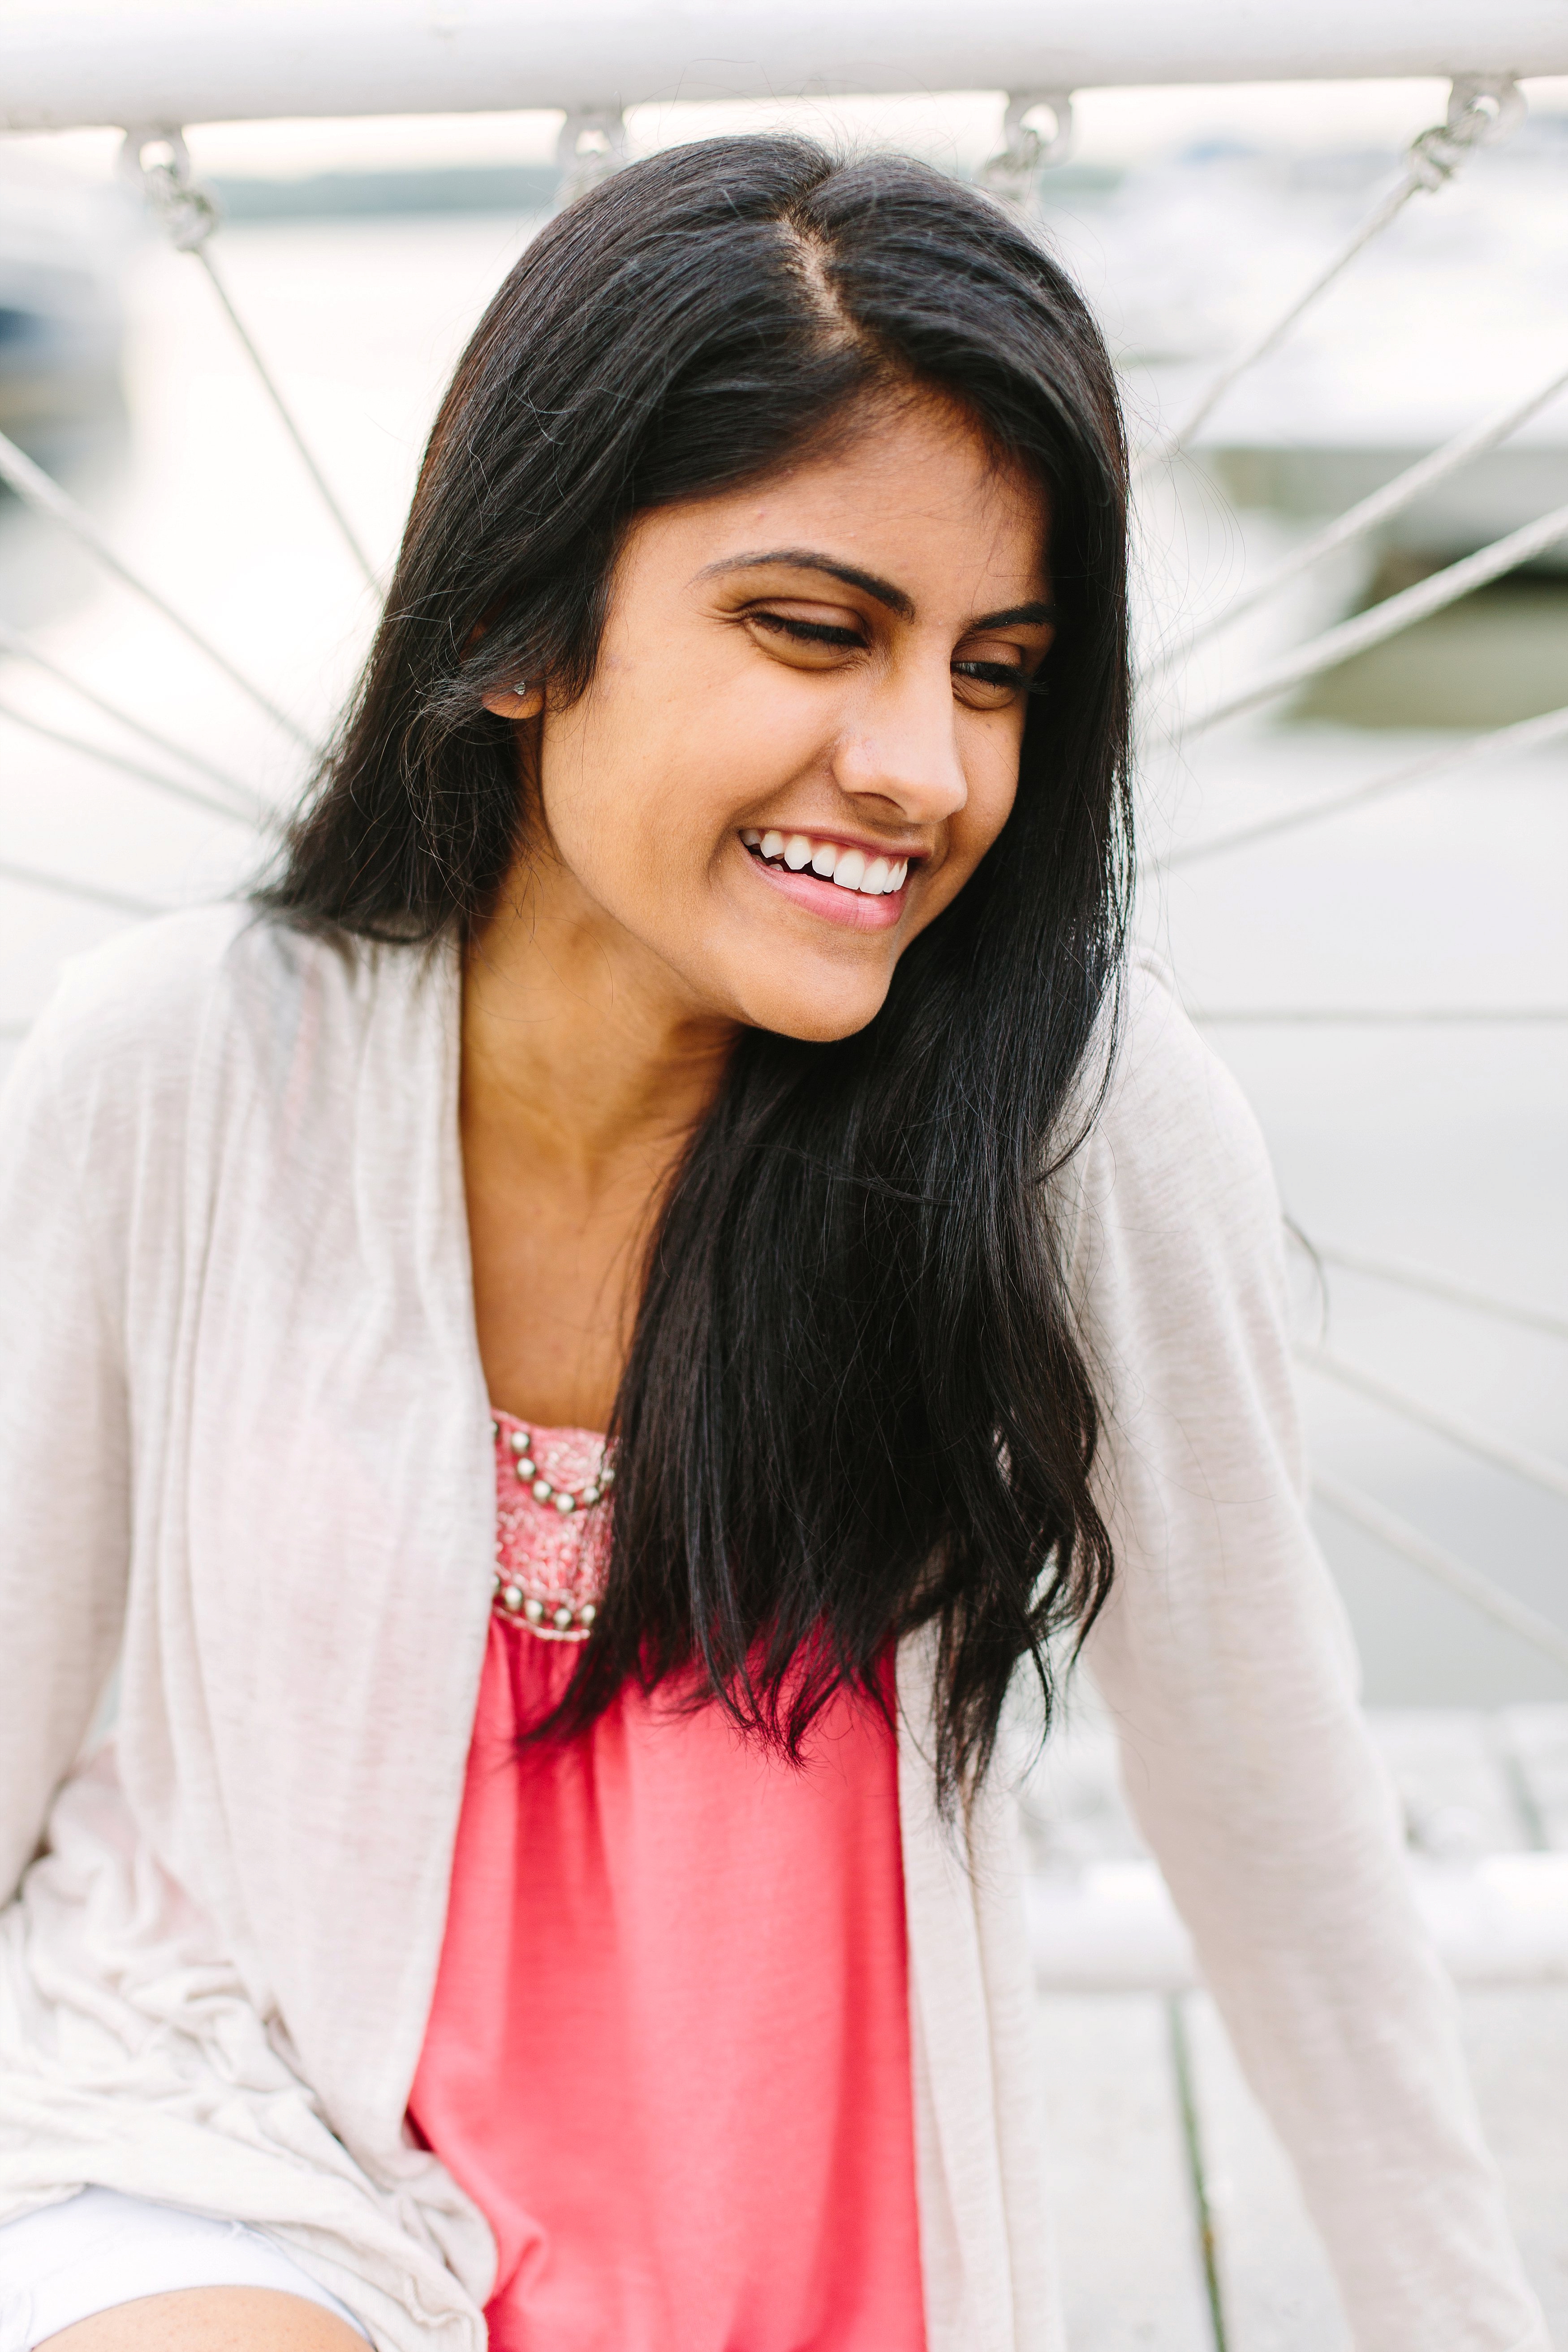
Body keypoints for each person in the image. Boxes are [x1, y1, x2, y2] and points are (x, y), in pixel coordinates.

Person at [0, 135, 1549, 2352]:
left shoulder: (1067, 1128)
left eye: (997, 671)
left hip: (776, 2253)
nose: (919, 764)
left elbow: (1278, 1820)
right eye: (808, 630)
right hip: (210, 2138)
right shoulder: (180, 1067)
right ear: (524, 626)